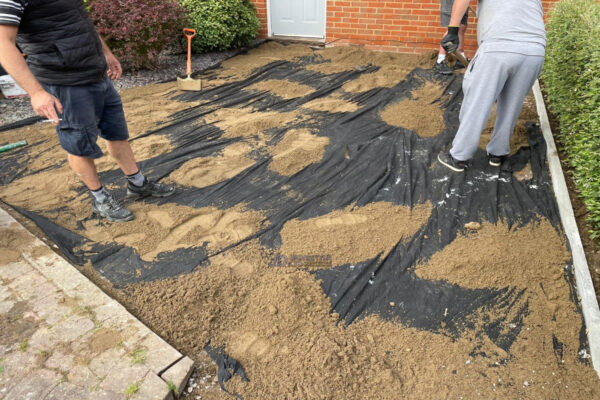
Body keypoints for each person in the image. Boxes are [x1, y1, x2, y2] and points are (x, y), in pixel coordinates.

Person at [0, 0, 175, 222]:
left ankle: (137, 184)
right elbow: (3, 43)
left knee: (117, 133)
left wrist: (106, 54)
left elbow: (80, 21)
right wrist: (36, 92)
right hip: (65, 82)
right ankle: (100, 199)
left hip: (96, 74)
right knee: (79, 145)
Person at [437, 0, 546, 172]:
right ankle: (498, 153)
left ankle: (459, 157)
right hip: (535, 50)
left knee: (477, 101)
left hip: (499, 46)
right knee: (512, 104)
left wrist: (452, 30)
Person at [433, 0, 469, 75]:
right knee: (452, 29)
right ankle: (440, 61)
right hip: (451, 2)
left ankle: (460, 59)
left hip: (463, 2)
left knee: (462, 27)